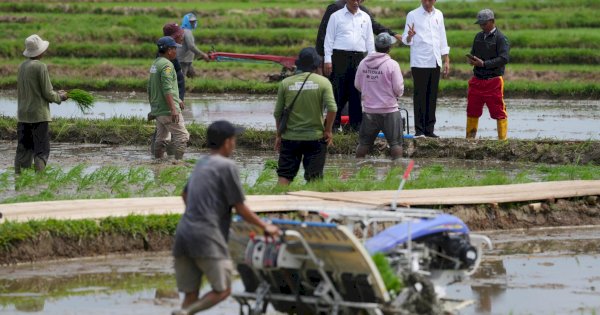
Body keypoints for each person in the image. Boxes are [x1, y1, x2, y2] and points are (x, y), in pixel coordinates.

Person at [171, 120, 280, 315]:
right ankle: (185, 313)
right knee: (223, 290)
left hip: (183, 233)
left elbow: (185, 195)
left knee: (190, 294)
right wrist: (265, 227)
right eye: (234, 140)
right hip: (207, 236)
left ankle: (186, 310)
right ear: (228, 142)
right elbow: (240, 207)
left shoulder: (201, 163)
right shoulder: (227, 166)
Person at [274, 47, 337, 185]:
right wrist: (328, 130)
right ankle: (312, 206)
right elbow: (332, 108)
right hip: (315, 138)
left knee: (284, 175)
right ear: (316, 64)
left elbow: (277, 113)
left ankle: (278, 204)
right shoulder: (323, 82)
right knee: (314, 179)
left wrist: (279, 135)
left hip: (290, 138)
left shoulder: (285, 83)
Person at [15, 34, 68, 174]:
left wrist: (55, 93)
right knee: (41, 150)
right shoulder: (41, 67)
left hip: (23, 115)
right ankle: (39, 182)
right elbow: (47, 93)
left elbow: (33, 90)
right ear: (40, 52)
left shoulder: (22, 67)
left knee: (24, 150)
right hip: (38, 115)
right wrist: (60, 97)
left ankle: (19, 181)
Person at [324, 0, 375, 132]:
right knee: (338, 90)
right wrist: (328, 60)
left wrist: (372, 60)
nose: (356, 2)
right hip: (339, 56)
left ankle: (355, 125)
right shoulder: (336, 16)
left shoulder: (365, 17)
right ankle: (334, 124)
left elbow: (370, 40)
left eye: (359, 0)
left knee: (356, 91)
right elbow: (329, 39)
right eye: (354, 0)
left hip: (359, 57)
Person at [402, 0, 450, 138]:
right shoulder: (413, 15)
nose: (427, 2)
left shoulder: (438, 14)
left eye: (430, 0)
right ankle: (419, 130)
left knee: (432, 96)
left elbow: (442, 37)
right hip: (420, 61)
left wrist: (446, 58)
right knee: (420, 96)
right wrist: (410, 36)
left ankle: (429, 129)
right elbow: (405, 39)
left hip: (435, 60)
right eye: (424, 0)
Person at [354, 33, 404, 160]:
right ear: (389, 48)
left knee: (364, 144)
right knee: (396, 144)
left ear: (375, 46)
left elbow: (357, 85)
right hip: (389, 110)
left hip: (369, 110)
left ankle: (358, 170)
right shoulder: (392, 64)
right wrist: (396, 95)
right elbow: (398, 88)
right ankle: (396, 171)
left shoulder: (363, 63)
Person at [466, 9, 510, 140]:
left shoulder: (501, 38)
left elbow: (504, 58)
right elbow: (473, 53)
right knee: (472, 109)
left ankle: (502, 141)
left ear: (492, 22)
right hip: (477, 79)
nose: (482, 27)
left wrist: (484, 64)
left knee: (498, 111)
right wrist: (472, 60)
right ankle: (469, 139)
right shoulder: (478, 37)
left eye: (484, 24)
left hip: (494, 80)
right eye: (480, 24)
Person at [148, 36, 190, 160]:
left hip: (159, 109)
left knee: (162, 139)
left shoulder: (155, 64)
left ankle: (158, 164)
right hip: (167, 110)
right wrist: (173, 109)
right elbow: (167, 88)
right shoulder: (167, 66)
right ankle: (178, 163)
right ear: (169, 50)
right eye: (175, 49)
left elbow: (151, 87)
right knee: (182, 137)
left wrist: (153, 108)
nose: (176, 52)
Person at [316, 0, 402, 58]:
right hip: (338, 56)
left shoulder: (362, 10)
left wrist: (392, 34)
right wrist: (325, 57)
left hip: (357, 56)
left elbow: (374, 26)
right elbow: (323, 34)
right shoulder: (335, 8)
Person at [177, 13, 210, 78]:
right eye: (191, 22)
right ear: (186, 22)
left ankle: (194, 87)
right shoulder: (187, 31)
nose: (193, 23)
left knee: (193, 77)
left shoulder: (181, 30)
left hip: (186, 60)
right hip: (183, 60)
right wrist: (203, 55)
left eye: (194, 22)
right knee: (181, 80)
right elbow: (191, 46)